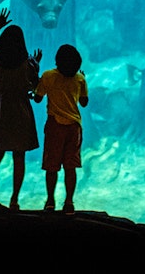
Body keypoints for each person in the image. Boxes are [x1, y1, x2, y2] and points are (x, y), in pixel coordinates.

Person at [0, 7, 41, 211]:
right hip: (21, 111)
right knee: (19, 156)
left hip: (2, 111)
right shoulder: (28, 63)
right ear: (22, 44)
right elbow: (35, 85)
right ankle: (14, 200)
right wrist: (36, 65)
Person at [33, 43, 89, 215]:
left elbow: (37, 98)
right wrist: (82, 80)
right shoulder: (79, 78)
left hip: (55, 126)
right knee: (70, 167)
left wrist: (36, 76)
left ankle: (50, 201)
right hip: (74, 128)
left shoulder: (49, 76)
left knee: (52, 166)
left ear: (57, 61)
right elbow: (84, 103)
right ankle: (69, 202)